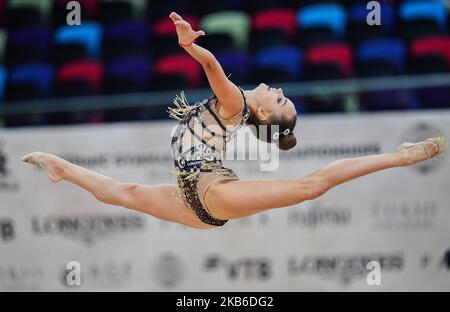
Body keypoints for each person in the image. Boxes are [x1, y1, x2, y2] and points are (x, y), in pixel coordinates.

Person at [22, 12, 448, 230]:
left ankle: (399, 157)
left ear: (264, 113)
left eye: (281, 99)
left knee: (310, 186)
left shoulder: (236, 105)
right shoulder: (239, 111)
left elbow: (213, 71)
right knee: (124, 193)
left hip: (208, 189)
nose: (278, 89)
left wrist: (191, 46)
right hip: (195, 200)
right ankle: (61, 167)